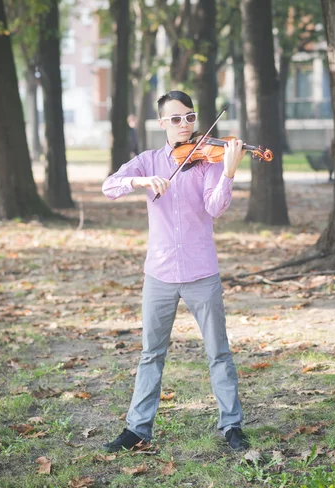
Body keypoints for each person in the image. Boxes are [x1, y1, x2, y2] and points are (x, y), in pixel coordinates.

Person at [101, 90, 249, 452]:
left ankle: (232, 427)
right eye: (177, 119)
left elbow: (215, 208)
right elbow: (109, 186)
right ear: (161, 123)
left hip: (202, 272)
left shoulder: (209, 161)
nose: (185, 125)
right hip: (160, 274)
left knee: (219, 352)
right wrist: (141, 181)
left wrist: (228, 171)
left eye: (191, 117)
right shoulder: (149, 160)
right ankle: (137, 428)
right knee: (151, 353)